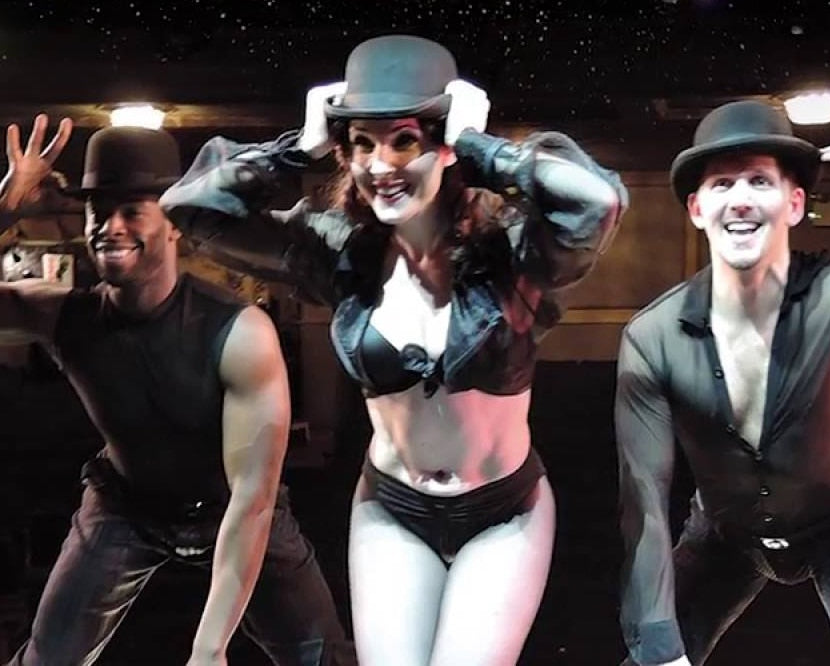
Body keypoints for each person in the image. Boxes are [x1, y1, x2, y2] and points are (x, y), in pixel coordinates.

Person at [160, 34, 628, 666]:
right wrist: (298, 147)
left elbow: (597, 202)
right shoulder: (338, 250)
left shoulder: (511, 252)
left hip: (504, 513)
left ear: (443, 143)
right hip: (391, 508)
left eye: (404, 140)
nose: (381, 164)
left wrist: (479, 145)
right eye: (362, 143)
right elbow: (190, 210)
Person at [0, 117, 355, 665]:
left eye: (131, 211)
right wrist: (6, 205)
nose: (110, 227)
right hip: (123, 507)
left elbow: (253, 500)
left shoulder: (238, 331)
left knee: (320, 659)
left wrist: (209, 648)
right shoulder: (65, 315)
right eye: (99, 211)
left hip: (233, 509)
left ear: (172, 223)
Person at [615, 84, 830, 666]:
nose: (740, 199)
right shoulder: (652, 336)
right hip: (725, 534)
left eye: (759, 181)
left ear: (793, 204)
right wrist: (659, 648)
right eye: (722, 184)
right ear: (697, 210)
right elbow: (644, 502)